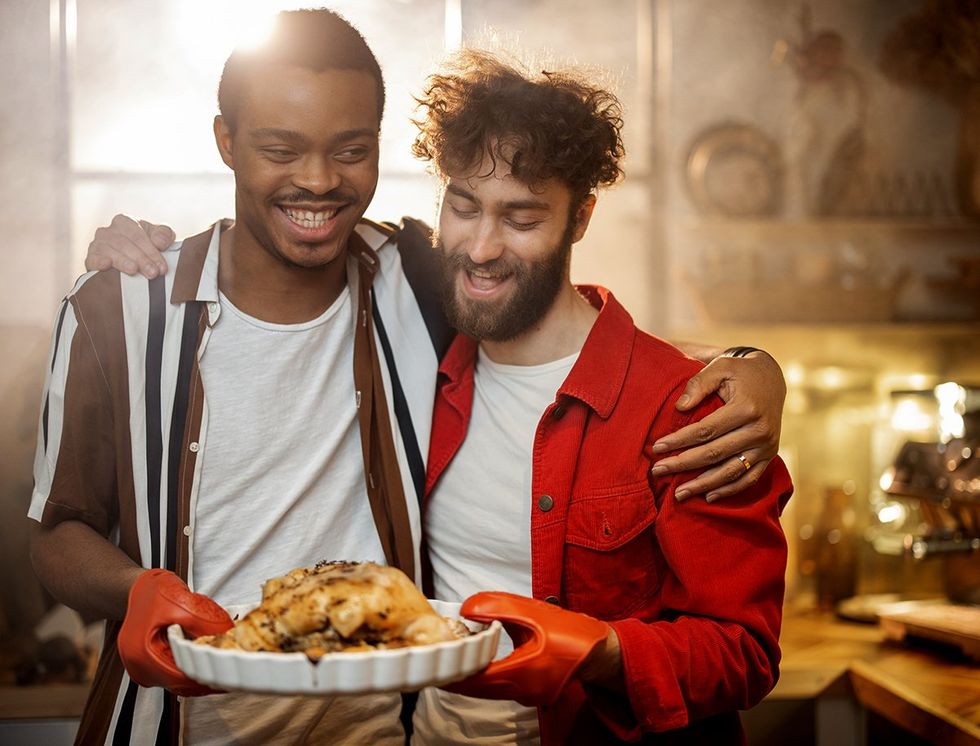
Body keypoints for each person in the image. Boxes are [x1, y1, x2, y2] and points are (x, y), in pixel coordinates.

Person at [34, 9, 784, 746]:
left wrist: (753, 368)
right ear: (226, 142)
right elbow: (56, 527)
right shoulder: (125, 309)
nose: (319, 180)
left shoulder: (415, 286)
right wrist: (134, 591)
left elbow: (595, 353)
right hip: (186, 726)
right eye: (463, 205)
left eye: (350, 149)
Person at [406, 51, 793, 745]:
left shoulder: (689, 410)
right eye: (463, 207)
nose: (482, 247)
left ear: (580, 219)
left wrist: (598, 652)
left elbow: (745, 652)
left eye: (522, 219)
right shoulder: (422, 350)